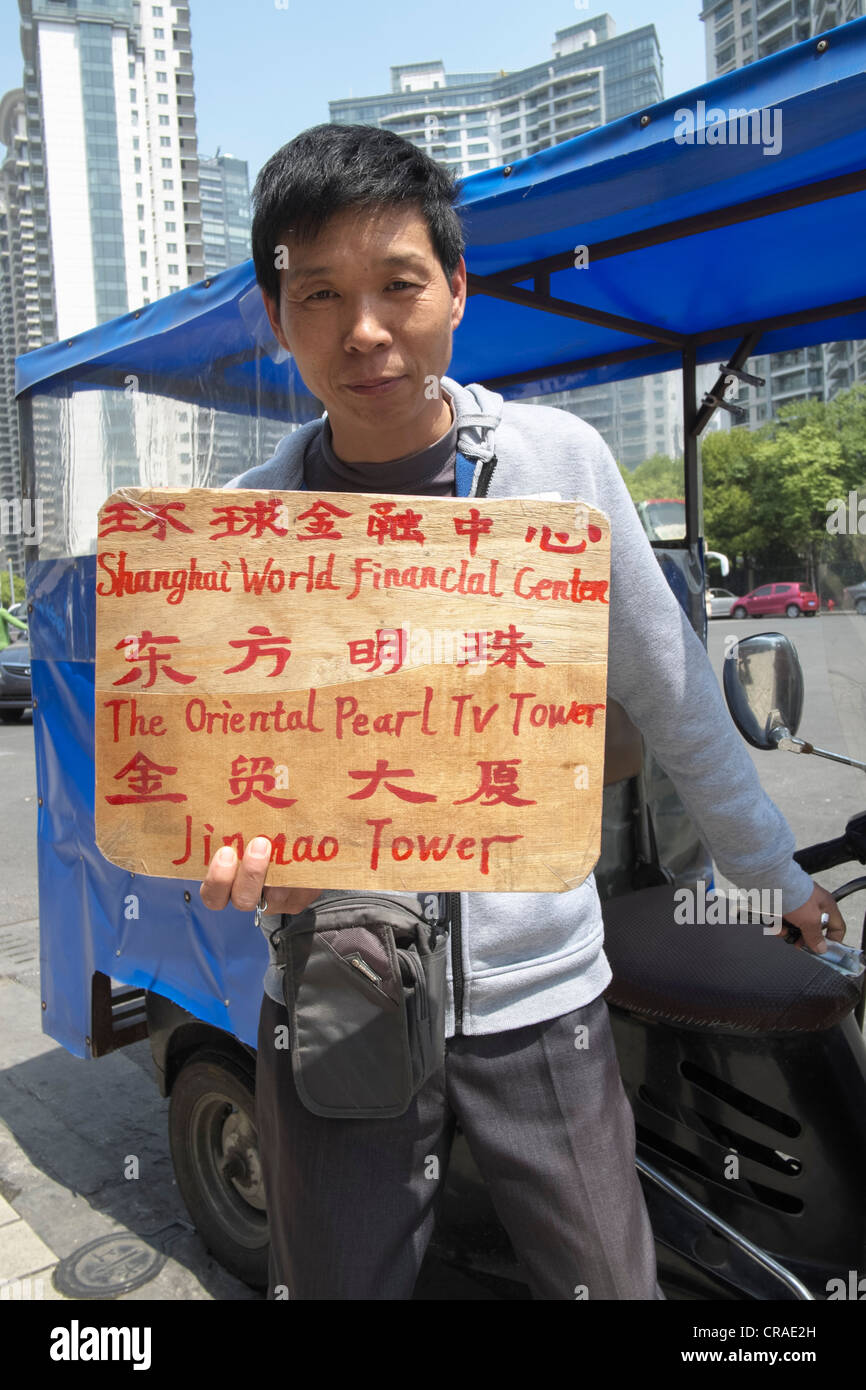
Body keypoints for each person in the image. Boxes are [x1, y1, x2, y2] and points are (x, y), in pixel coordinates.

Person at [200, 123, 845, 1300]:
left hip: (541, 1001)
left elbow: (677, 701)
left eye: (398, 284)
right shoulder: (243, 523)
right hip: (333, 998)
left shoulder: (555, 465)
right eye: (320, 295)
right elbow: (220, 772)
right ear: (275, 315)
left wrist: (778, 880)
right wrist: (233, 858)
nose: (364, 330)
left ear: (456, 288)